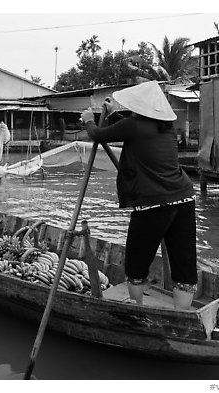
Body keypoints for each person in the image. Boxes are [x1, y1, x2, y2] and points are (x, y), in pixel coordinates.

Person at [81, 81, 197, 310]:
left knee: (136, 263)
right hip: (184, 198)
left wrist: (88, 120)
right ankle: (182, 318)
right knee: (184, 264)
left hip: (154, 204)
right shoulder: (166, 128)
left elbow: (98, 135)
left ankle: (136, 310)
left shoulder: (134, 127)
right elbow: (130, 129)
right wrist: (114, 114)